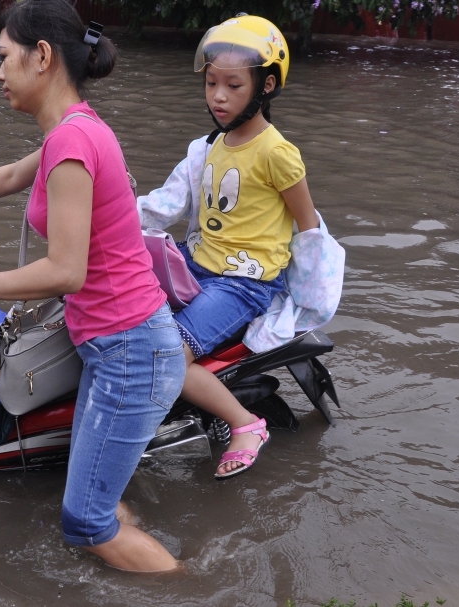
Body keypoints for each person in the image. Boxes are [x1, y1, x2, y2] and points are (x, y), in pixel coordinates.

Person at [0, 0, 186, 573]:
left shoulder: (71, 141)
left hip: (130, 350)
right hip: (115, 345)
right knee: (91, 502)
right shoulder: (72, 130)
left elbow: (67, 271)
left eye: (4, 57)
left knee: (85, 522)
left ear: (41, 57)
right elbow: (15, 175)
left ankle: (196, 587)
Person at [136, 16, 322, 480]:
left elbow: (309, 226)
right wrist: (101, 215)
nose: (218, 96)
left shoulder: (276, 152)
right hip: (196, 263)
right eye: (212, 83)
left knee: (169, 356)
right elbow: (161, 206)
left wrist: (307, 299)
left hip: (243, 283)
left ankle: (246, 424)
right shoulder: (208, 147)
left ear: (266, 86)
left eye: (233, 85)